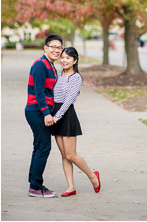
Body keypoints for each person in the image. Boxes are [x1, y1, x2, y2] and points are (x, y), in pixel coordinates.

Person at [51, 47, 101, 196]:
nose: (64, 60)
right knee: (64, 155)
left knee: (71, 155)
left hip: (66, 116)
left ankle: (93, 176)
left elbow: (68, 101)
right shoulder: (59, 75)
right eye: (63, 57)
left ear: (75, 60)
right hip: (55, 115)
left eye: (68, 58)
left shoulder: (76, 77)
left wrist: (57, 117)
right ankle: (70, 187)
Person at [25, 34, 63, 198]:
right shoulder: (40, 65)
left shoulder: (51, 66)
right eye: (53, 46)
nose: (56, 50)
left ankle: (34, 183)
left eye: (59, 47)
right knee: (43, 147)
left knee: (40, 147)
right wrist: (46, 113)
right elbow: (39, 92)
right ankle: (35, 186)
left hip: (40, 110)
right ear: (45, 48)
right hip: (37, 111)